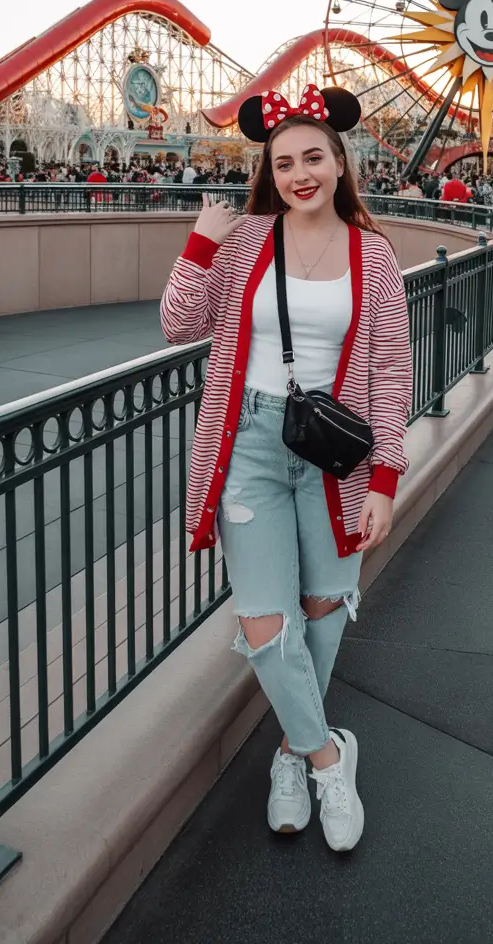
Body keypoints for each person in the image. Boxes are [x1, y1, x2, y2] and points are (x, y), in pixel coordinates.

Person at [161, 83, 412, 853]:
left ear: (340, 162)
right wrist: (201, 240)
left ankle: (287, 753)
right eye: (285, 162)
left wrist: (384, 480)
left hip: (333, 454)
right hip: (250, 449)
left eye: (314, 157)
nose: (301, 172)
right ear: (269, 171)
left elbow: (391, 368)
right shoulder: (245, 242)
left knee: (324, 608)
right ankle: (329, 756)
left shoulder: (373, 253)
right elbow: (178, 325)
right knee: (264, 619)